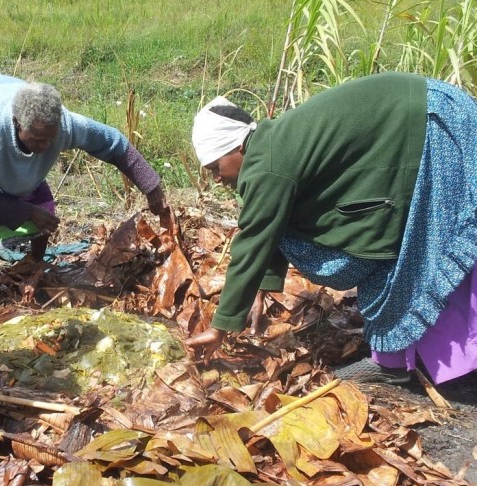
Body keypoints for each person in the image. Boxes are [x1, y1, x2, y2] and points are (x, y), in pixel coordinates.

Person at [186, 72, 477, 386]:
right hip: (418, 119)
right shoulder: (269, 148)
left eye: (215, 167)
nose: (216, 178)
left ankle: (445, 362)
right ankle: (394, 361)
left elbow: (254, 238)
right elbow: (272, 226)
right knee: (399, 243)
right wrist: (259, 290)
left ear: (237, 148)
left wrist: (220, 327)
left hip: (431, 124)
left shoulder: (266, 165)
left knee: (431, 247)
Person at [0, 74, 172, 327]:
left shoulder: (65, 125)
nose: (44, 146)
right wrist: (25, 211)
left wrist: (152, 187)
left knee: (39, 203)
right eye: (36, 138)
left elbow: (113, 142)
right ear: (17, 124)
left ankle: (33, 267)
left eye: (50, 139)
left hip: (3, 98)